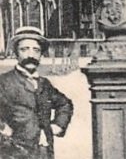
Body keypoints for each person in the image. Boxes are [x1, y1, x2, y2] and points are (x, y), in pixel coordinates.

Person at [0, 26, 74, 159]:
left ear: (41, 55)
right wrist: (3, 129)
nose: (31, 55)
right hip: (13, 152)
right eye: (24, 49)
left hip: (44, 152)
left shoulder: (44, 84)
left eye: (36, 50)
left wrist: (58, 125)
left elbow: (65, 104)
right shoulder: (4, 82)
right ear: (15, 53)